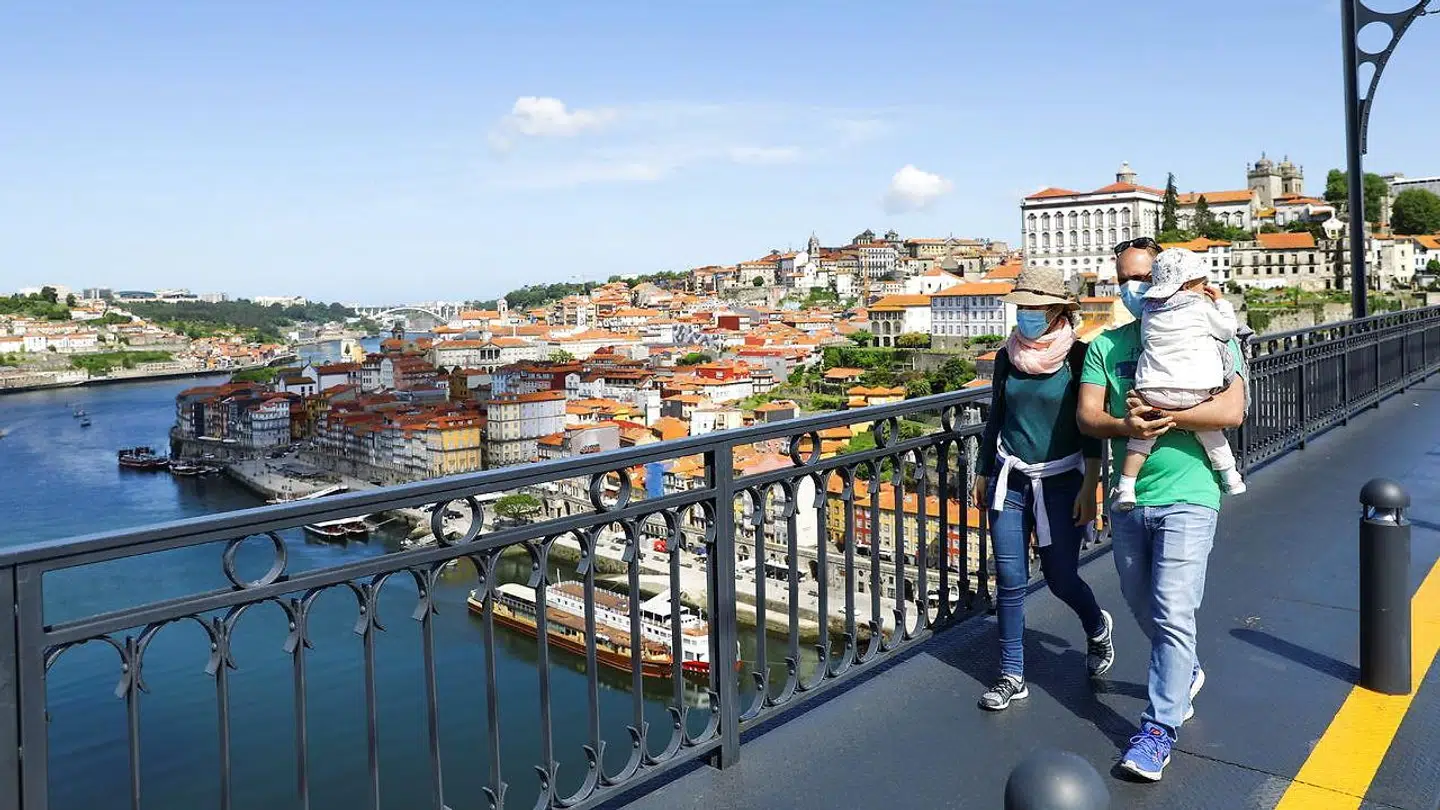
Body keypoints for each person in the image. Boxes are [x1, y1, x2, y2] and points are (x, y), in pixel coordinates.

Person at [1077, 237, 1247, 782]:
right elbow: (1087, 417)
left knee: (1173, 609)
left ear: (1164, 281)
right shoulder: (1105, 346)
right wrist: (1129, 426)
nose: (1133, 287)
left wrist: (1166, 409)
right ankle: (1185, 671)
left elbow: (1233, 409)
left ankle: (1157, 730)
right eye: (1123, 278)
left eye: (1142, 277)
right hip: (1129, 496)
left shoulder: (1205, 329)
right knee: (1138, 599)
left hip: (1192, 491)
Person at [972, 265, 1115, 712]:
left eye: (1033, 308)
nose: (1024, 317)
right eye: (1021, 308)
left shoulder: (1079, 358)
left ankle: (1097, 627)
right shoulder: (1006, 357)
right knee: (1010, 580)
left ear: (1056, 311)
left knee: (1059, 578)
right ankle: (1012, 674)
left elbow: (1092, 427)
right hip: (1010, 478)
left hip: (1061, 480)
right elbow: (997, 416)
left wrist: (1091, 485)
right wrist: (982, 470)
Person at [1113, 248, 1246, 511]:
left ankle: (1126, 487)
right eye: (1201, 283)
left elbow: (1146, 342)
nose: (1204, 287)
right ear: (1187, 284)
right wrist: (1221, 303)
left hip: (1153, 388)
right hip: (1194, 387)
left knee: (1140, 440)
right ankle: (1231, 477)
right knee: (1210, 432)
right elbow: (1228, 330)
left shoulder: (1149, 311)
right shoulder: (1199, 306)